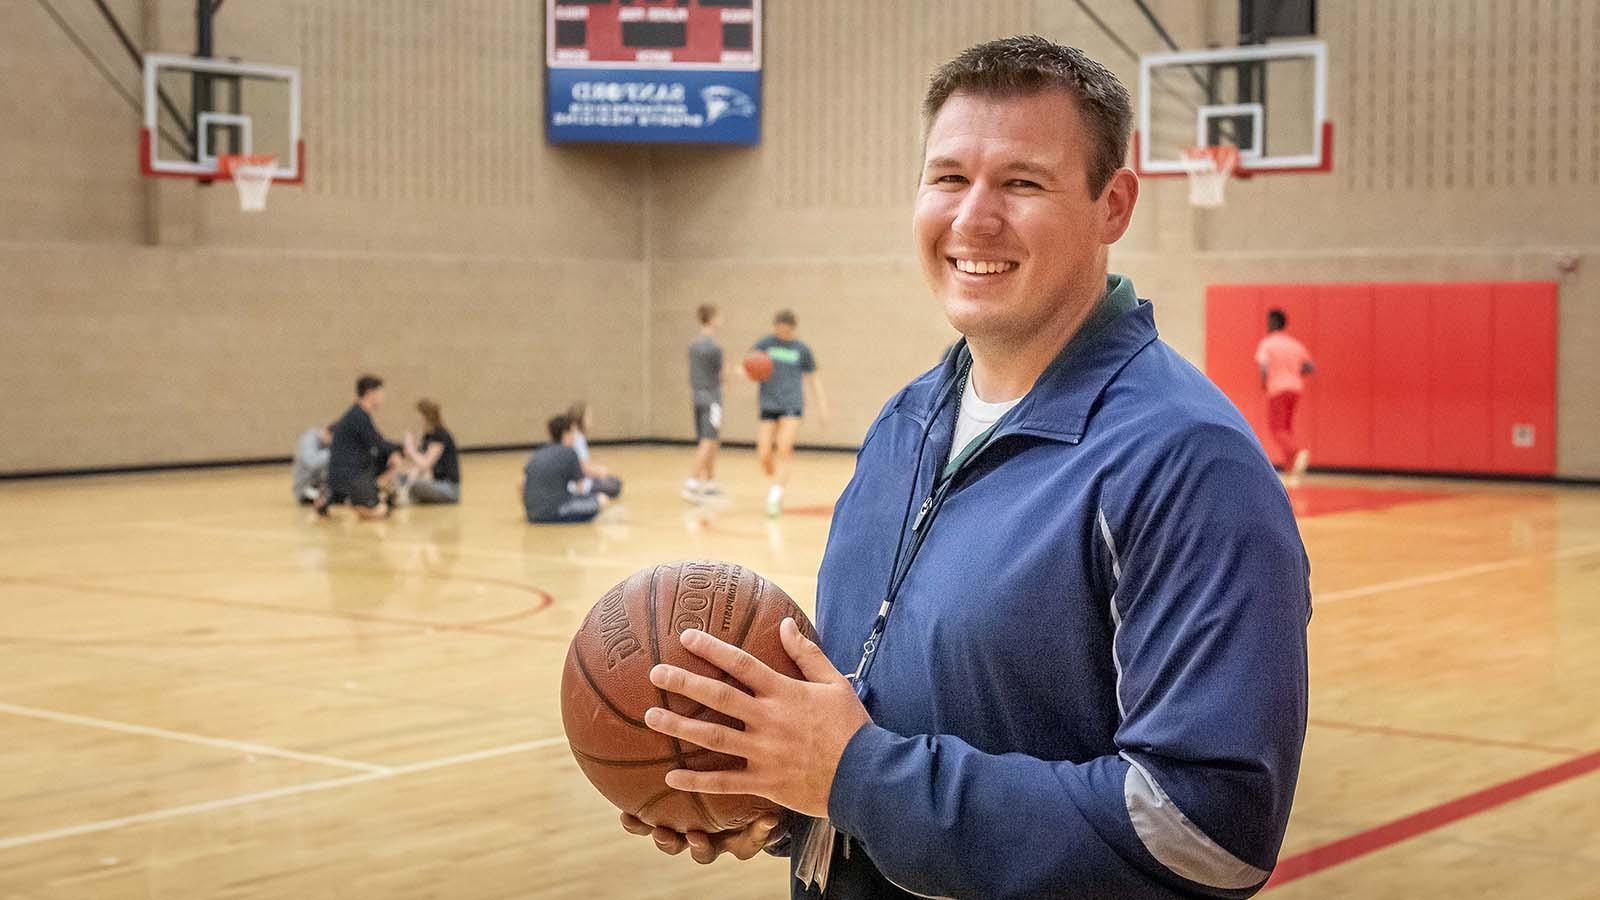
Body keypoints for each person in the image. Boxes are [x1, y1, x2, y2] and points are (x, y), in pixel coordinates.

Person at [624, 36, 1311, 899]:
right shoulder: (903, 425)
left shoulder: (1187, 463)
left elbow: (1207, 832)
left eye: (1022, 182)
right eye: (948, 178)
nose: (972, 218)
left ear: (1115, 205)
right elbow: (879, 732)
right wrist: (773, 798)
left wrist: (857, 776)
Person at [753, 309, 829, 516]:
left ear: (793, 329)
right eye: (779, 330)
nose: (782, 334)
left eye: (786, 331)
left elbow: (814, 379)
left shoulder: (802, 349)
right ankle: (775, 481)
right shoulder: (765, 345)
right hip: (768, 403)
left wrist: (822, 406)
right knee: (764, 454)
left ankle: (776, 494)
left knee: (784, 448)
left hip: (792, 404)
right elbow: (751, 366)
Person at [316, 374, 401, 520]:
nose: (383, 398)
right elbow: (379, 444)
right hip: (350, 475)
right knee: (380, 512)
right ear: (370, 393)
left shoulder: (356, 414)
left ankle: (337, 497)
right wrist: (401, 450)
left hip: (342, 474)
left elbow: (377, 443)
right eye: (380, 393)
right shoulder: (358, 417)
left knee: (388, 456)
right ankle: (357, 500)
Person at [1256, 308, 1315, 485]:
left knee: (1277, 429)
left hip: (1278, 389)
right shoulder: (1295, 344)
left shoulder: (1268, 344)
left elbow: (1264, 366)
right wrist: (1294, 372)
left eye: (1269, 321)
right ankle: (1290, 471)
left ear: (1274, 323)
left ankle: (1297, 453)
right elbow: (1310, 367)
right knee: (1286, 428)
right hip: (1295, 388)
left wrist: (1264, 383)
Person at [519, 415, 607, 524]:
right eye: (573, 433)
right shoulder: (569, 453)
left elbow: (521, 486)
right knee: (601, 499)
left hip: (532, 515)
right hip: (556, 511)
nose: (575, 437)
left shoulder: (537, 453)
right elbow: (580, 488)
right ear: (566, 434)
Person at [684, 303, 726, 502]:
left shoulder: (693, 345)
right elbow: (722, 375)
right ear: (712, 319)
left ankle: (709, 482)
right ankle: (692, 482)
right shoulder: (715, 348)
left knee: (710, 440)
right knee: (709, 441)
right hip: (712, 398)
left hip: (697, 395)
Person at [400, 398, 460, 504]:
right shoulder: (428, 436)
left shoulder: (440, 435)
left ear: (425, 417)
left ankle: (406, 497)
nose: (414, 421)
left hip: (449, 489)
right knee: (400, 478)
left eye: (417, 417)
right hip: (436, 484)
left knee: (415, 485)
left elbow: (425, 464)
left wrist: (411, 448)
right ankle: (406, 496)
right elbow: (419, 465)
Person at [566, 402, 623, 500]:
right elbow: (583, 469)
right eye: (588, 417)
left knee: (613, 481)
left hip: (572, 482)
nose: (590, 420)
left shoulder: (572, 436)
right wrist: (600, 472)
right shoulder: (578, 438)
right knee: (615, 485)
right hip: (577, 486)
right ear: (580, 419)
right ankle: (587, 497)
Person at [291, 425, 332, 504]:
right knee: (330, 497)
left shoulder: (326, 446)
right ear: (327, 433)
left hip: (321, 486)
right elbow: (313, 462)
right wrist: (334, 451)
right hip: (305, 489)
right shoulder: (310, 439)